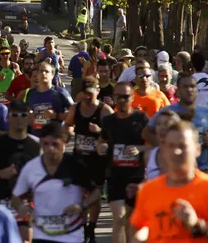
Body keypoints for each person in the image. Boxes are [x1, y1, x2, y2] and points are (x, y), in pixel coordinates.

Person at [130, 120, 208, 241]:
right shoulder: (149, 190)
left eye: (183, 146)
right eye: (171, 146)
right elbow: (138, 227)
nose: (176, 151)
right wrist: (140, 235)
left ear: (197, 150)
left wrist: (199, 226)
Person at [11, 122, 101, 243]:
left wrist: (82, 206)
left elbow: (96, 193)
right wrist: (21, 207)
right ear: (40, 143)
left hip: (71, 235)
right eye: (46, 144)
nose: (50, 149)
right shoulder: (31, 168)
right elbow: (16, 197)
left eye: (55, 144)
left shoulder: (75, 165)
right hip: (41, 235)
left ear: (64, 142)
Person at [96, 82, 149, 243]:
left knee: (131, 221)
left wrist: (139, 149)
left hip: (136, 176)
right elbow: (101, 141)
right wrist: (101, 147)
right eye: (118, 96)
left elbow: (155, 144)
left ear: (132, 98)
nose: (121, 100)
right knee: (119, 218)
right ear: (113, 98)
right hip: (115, 176)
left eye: (125, 97)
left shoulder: (141, 119)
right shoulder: (108, 121)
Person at [63, 76, 113, 242]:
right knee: (80, 194)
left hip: (97, 160)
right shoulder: (75, 108)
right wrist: (67, 134)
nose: (87, 96)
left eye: (90, 93)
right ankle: (84, 228)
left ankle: (92, 226)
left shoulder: (104, 111)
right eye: (85, 93)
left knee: (95, 193)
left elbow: (114, 135)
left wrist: (99, 131)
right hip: (79, 158)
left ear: (98, 91)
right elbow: (68, 124)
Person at [0, 101, 40, 242]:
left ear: (30, 118)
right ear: (8, 118)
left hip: (27, 202)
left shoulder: (37, 145)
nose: (19, 118)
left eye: (23, 115)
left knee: (26, 238)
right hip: (1, 200)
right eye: (15, 115)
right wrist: (0, 173)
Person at [144, 75, 208, 172]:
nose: (189, 90)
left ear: (197, 90)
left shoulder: (206, 111)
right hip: (173, 169)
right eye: (185, 87)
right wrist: (164, 146)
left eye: (192, 86)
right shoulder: (167, 111)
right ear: (178, 91)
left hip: (201, 168)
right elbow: (146, 133)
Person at [23, 63, 71, 137]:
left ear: (52, 75)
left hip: (54, 137)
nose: (43, 73)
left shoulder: (60, 92)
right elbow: (28, 112)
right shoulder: (31, 93)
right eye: (41, 71)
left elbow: (75, 113)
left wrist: (56, 116)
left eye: (46, 71)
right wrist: (29, 116)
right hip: (36, 136)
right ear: (38, 74)